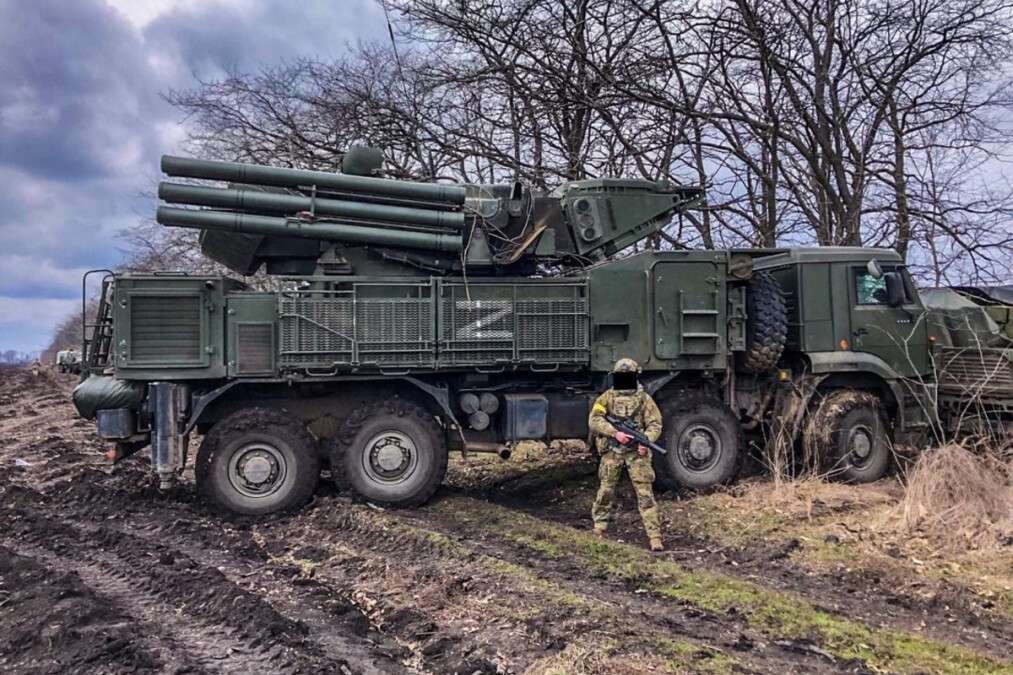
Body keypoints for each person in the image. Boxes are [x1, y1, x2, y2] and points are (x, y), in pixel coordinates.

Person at [588, 358, 665, 551]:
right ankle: (599, 526)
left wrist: (646, 441)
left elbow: (655, 423)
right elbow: (594, 419)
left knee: (645, 495)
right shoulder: (607, 397)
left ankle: (654, 536)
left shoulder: (644, 400)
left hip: (636, 454)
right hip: (613, 451)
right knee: (606, 490)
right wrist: (615, 433)